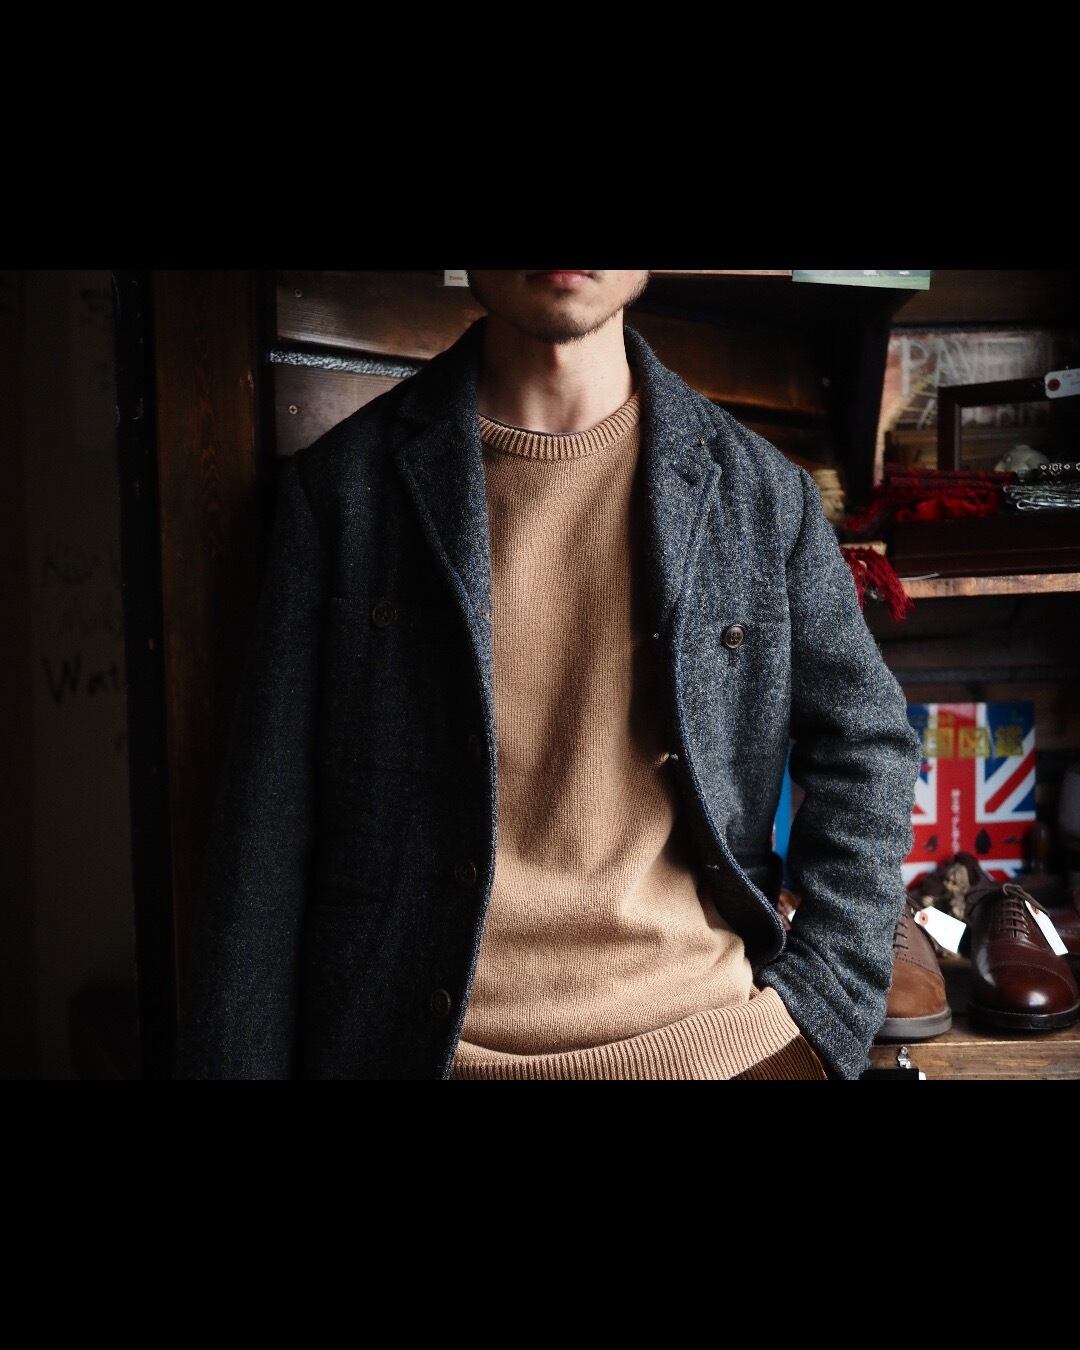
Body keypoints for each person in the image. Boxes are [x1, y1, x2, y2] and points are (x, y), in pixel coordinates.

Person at [174, 269, 923, 1081]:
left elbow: (869, 743)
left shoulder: (763, 496)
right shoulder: (343, 493)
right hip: (423, 1054)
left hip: (715, 1047)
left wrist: (827, 1001)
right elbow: (265, 829)